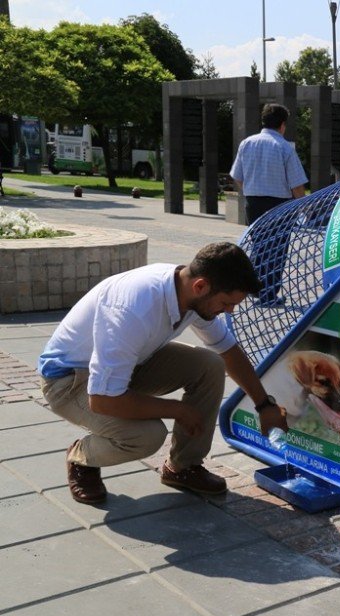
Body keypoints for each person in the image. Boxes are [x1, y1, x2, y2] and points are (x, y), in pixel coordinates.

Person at [37, 242, 289, 504]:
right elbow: (103, 400)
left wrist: (264, 404)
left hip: (126, 367)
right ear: (201, 286)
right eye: (226, 303)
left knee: (210, 365)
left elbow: (228, 351)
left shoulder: (190, 292)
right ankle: (82, 456)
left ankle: (183, 468)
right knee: (146, 436)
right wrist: (177, 410)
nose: (230, 311)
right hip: (68, 381)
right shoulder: (133, 307)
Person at [230, 103, 308, 305]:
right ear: (283, 125)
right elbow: (297, 185)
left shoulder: (246, 143)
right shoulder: (284, 147)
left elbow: (237, 177)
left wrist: (250, 190)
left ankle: (256, 288)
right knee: (277, 249)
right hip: (280, 206)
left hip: (253, 202)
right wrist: (305, 208)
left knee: (259, 246)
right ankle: (269, 294)